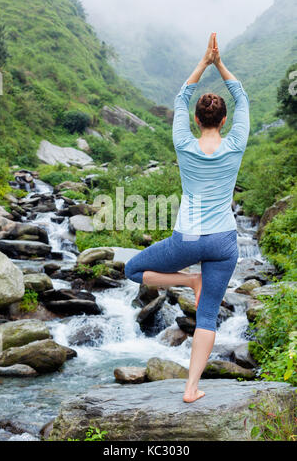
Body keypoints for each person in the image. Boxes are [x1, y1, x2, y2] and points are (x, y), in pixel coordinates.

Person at [125, 33, 250, 403]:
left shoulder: (183, 141)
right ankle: (191, 388)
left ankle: (189, 279)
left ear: (196, 119)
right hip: (225, 241)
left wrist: (203, 62)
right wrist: (219, 63)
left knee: (133, 269)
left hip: (189, 237)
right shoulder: (236, 142)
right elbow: (242, 97)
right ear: (224, 120)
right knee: (208, 315)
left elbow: (182, 95)